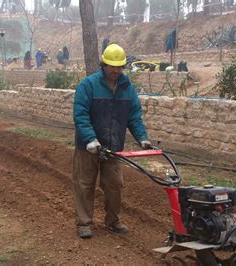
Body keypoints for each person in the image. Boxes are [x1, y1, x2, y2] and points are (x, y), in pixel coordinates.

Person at [72, 44, 151, 239]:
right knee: (84, 183)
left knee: (114, 184)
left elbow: (134, 116)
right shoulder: (88, 85)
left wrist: (142, 137)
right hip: (87, 147)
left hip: (114, 147)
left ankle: (113, 221)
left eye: (119, 67)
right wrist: (90, 138)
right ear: (103, 65)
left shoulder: (127, 88)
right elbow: (80, 114)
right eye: (111, 66)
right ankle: (84, 223)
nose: (115, 71)